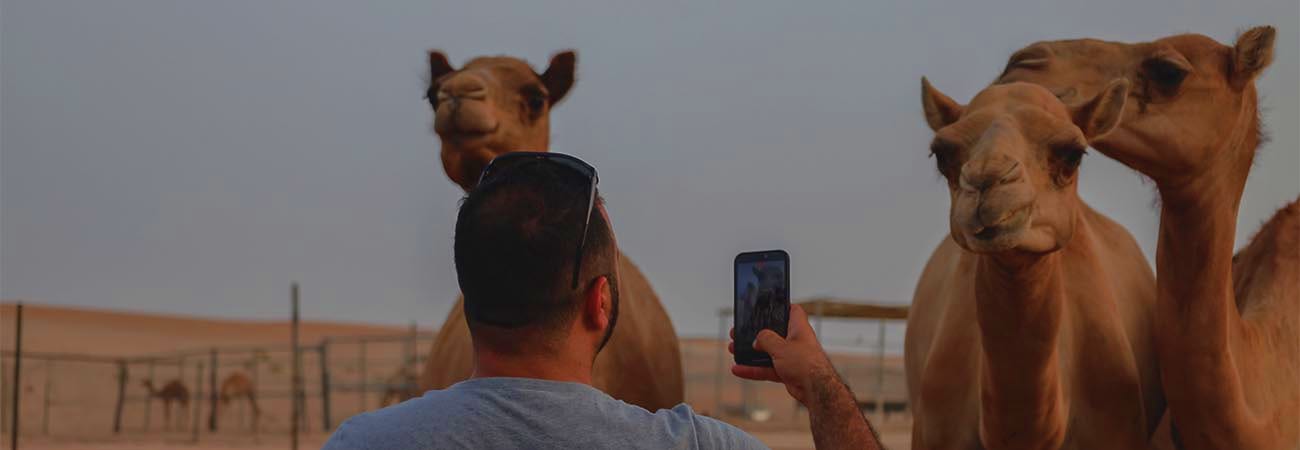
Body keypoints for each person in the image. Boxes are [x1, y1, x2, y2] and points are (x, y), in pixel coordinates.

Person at [323, 152, 883, 450]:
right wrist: (820, 387)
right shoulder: (703, 447)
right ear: (601, 302)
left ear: (468, 298)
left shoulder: (363, 444)